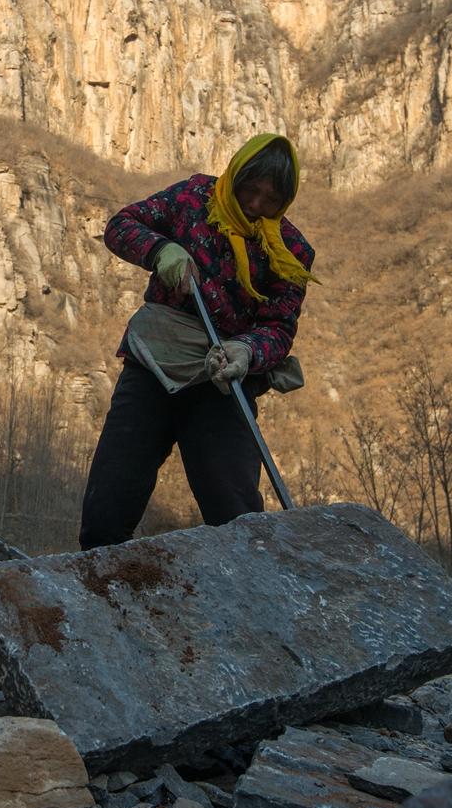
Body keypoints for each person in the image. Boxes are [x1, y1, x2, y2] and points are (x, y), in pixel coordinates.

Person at [78, 133, 318, 550]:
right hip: (154, 364)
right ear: (235, 174)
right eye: (250, 189)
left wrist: (247, 350)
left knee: (237, 520)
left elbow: (279, 327)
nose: (256, 205)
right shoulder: (193, 198)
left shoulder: (291, 250)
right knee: (105, 517)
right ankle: (107, 599)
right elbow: (121, 226)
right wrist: (161, 250)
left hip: (223, 381)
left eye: (271, 199)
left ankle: (253, 603)